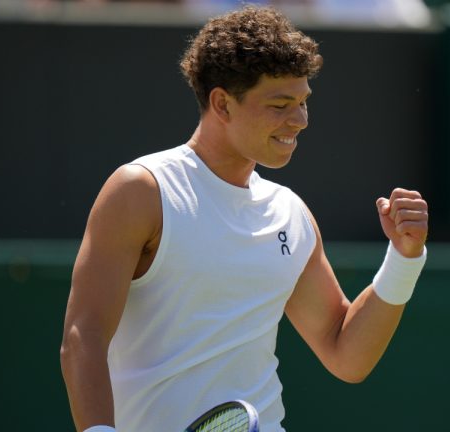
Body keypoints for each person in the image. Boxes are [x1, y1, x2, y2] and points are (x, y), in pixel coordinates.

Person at [60, 5, 428, 432]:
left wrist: (404, 258)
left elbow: (346, 354)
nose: (300, 120)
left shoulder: (290, 212)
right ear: (222, 104)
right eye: (280, 104)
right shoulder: (142, 191)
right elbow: (83, 336)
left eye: (303, 102)